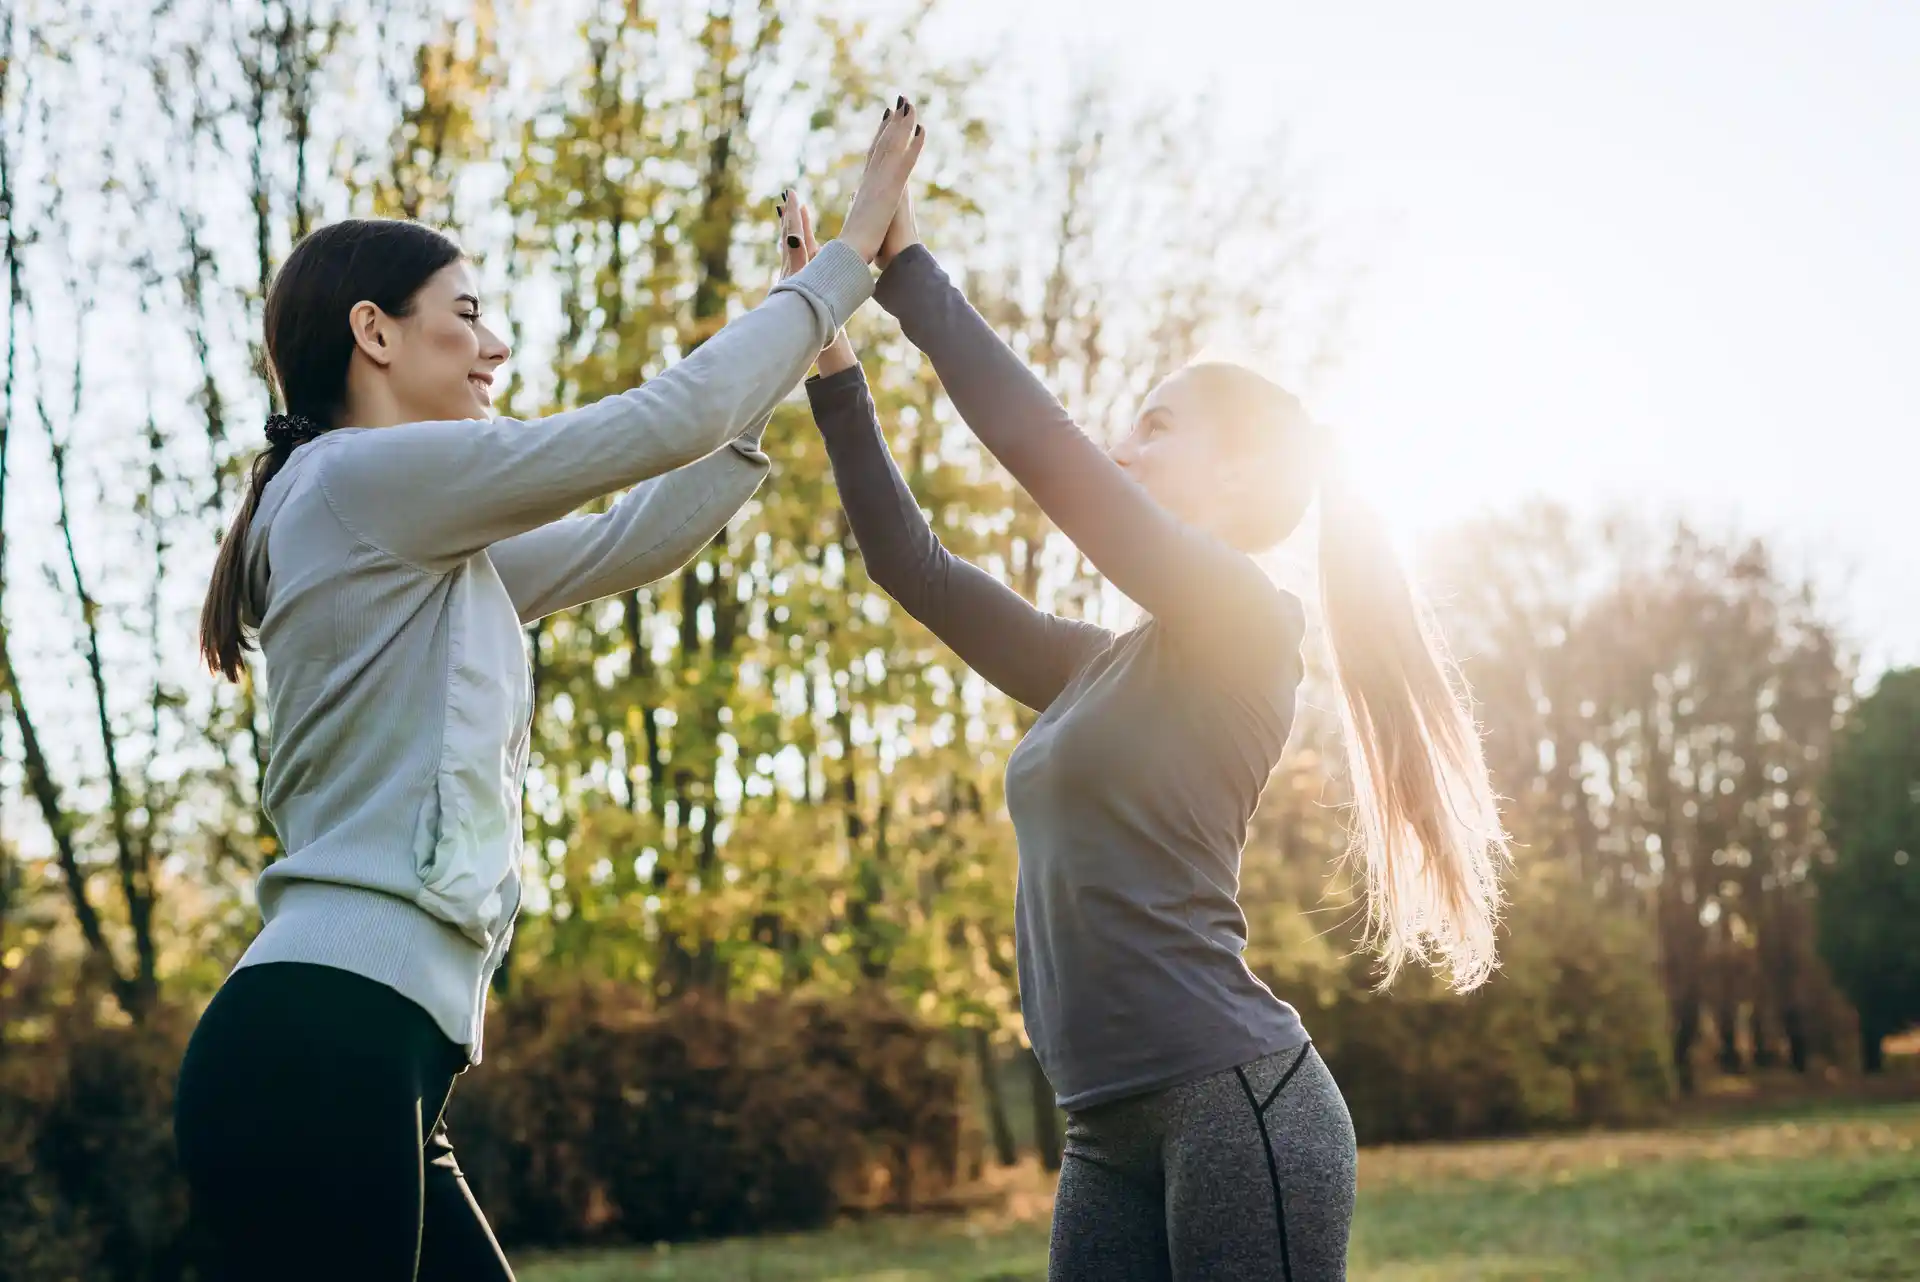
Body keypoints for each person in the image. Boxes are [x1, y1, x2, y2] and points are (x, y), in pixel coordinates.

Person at [171, 99, 927, 1282]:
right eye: (465, 316)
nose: (494, 347)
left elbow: (630, 539)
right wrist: (845, 260)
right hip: (324, 1045)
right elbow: (657, 423)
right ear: (373, 333)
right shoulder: (359, 482)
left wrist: (796, 349)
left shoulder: (399, 536)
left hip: (364, 1056)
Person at [782, 169, 1507, 1281]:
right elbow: (912, 567)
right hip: (1103, 1132)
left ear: (1240, 472)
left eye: (1155, 427)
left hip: (1234, 1106)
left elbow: (1055, 463)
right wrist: (831, 362)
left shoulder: (1249, 623)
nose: (1122, 448)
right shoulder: (1091, 669)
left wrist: (908, 273)